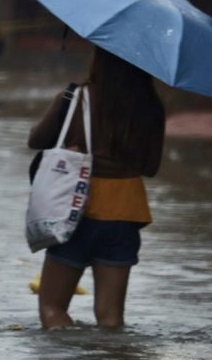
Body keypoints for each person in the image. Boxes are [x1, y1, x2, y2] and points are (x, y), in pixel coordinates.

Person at [29, 46, 165, 330]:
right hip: (126, 213)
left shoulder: (74, 98)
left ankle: (66, 350)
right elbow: (150, 167)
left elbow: (36, 140)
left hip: (75, 210)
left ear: (99, 59)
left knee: (52, 308)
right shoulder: (151, 106)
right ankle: (110, 353)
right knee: (111, 319)